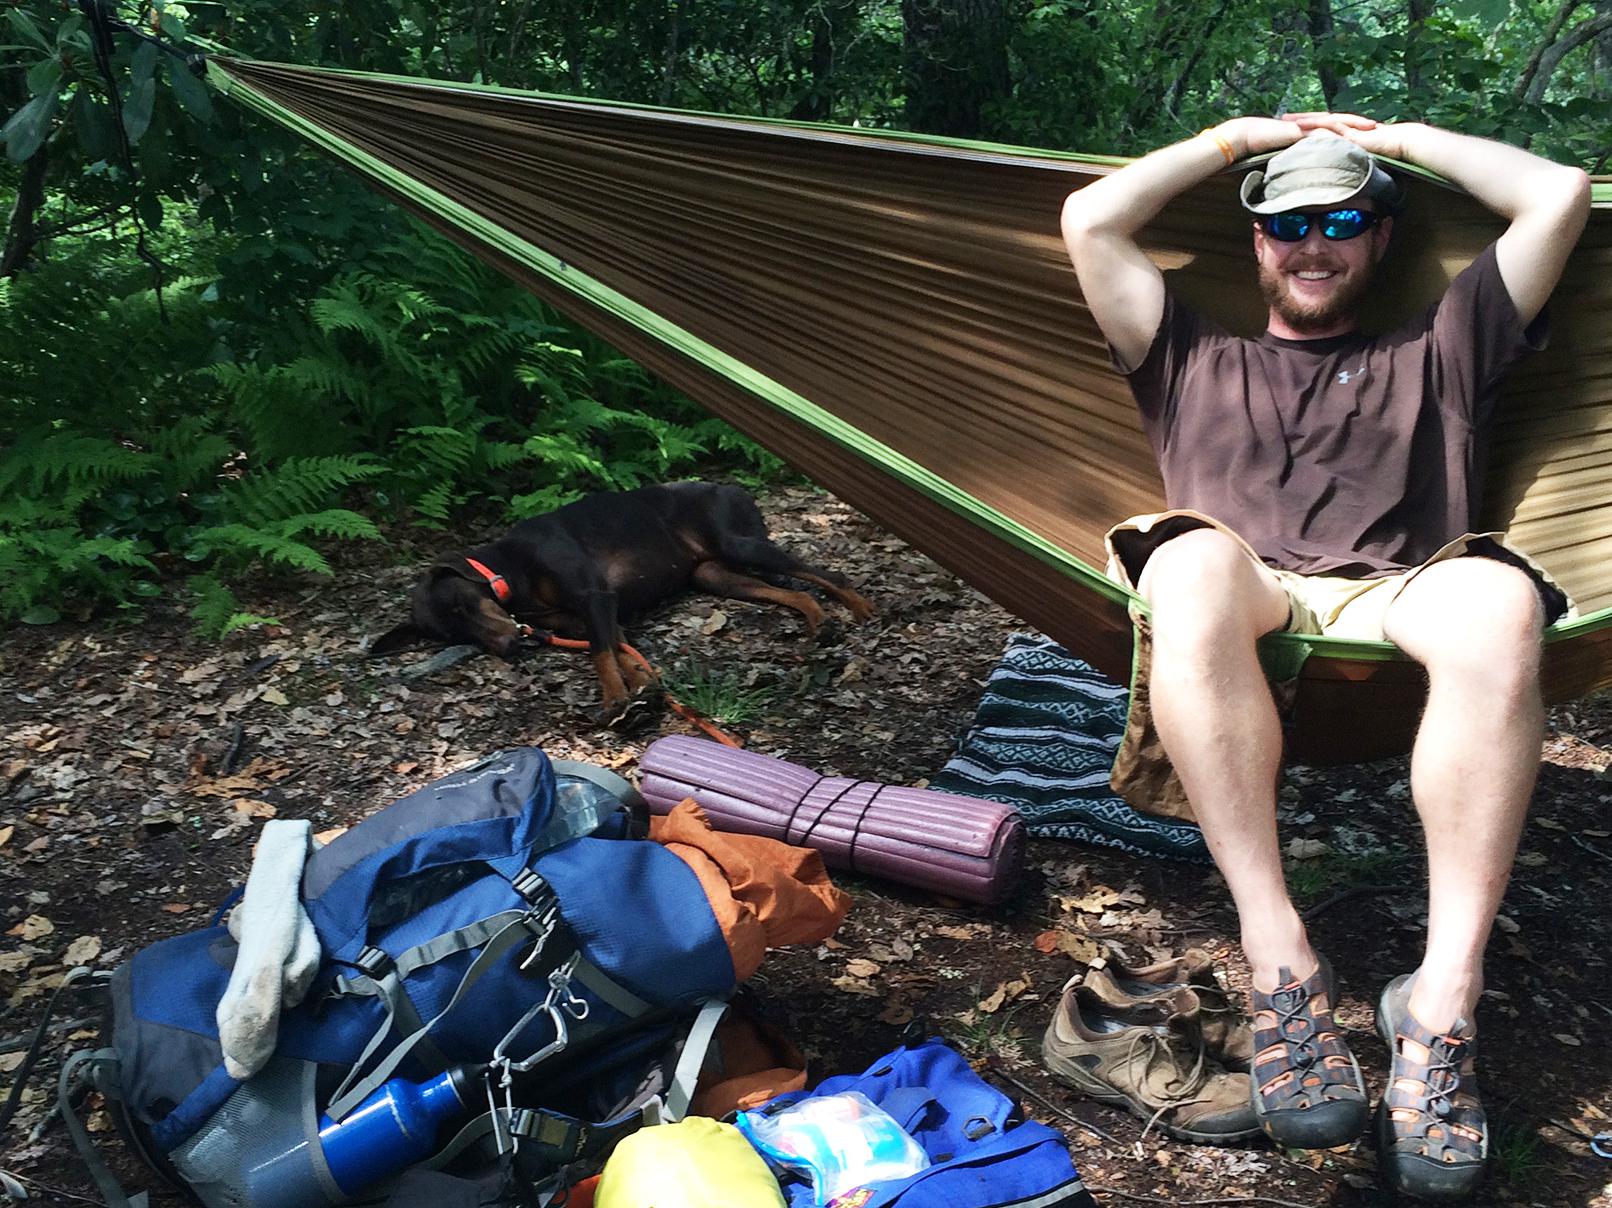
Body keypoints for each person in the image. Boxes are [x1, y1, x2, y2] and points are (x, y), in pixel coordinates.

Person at [1056, 114, 1590, 1200]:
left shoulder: (1445, 342)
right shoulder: (1187, 350)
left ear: (1380, 236)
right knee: (1185, 566)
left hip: (1405, 583)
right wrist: (1238, 136)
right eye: (1287, 222)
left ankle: (1440, 1003)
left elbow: (1558, 193)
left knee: (1500, 601)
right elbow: (1090, 219)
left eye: (1340, 219)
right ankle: (1280, 958)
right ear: (1254, 240)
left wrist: (1393, 136)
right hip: (1246, 576)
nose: (1312, 243)